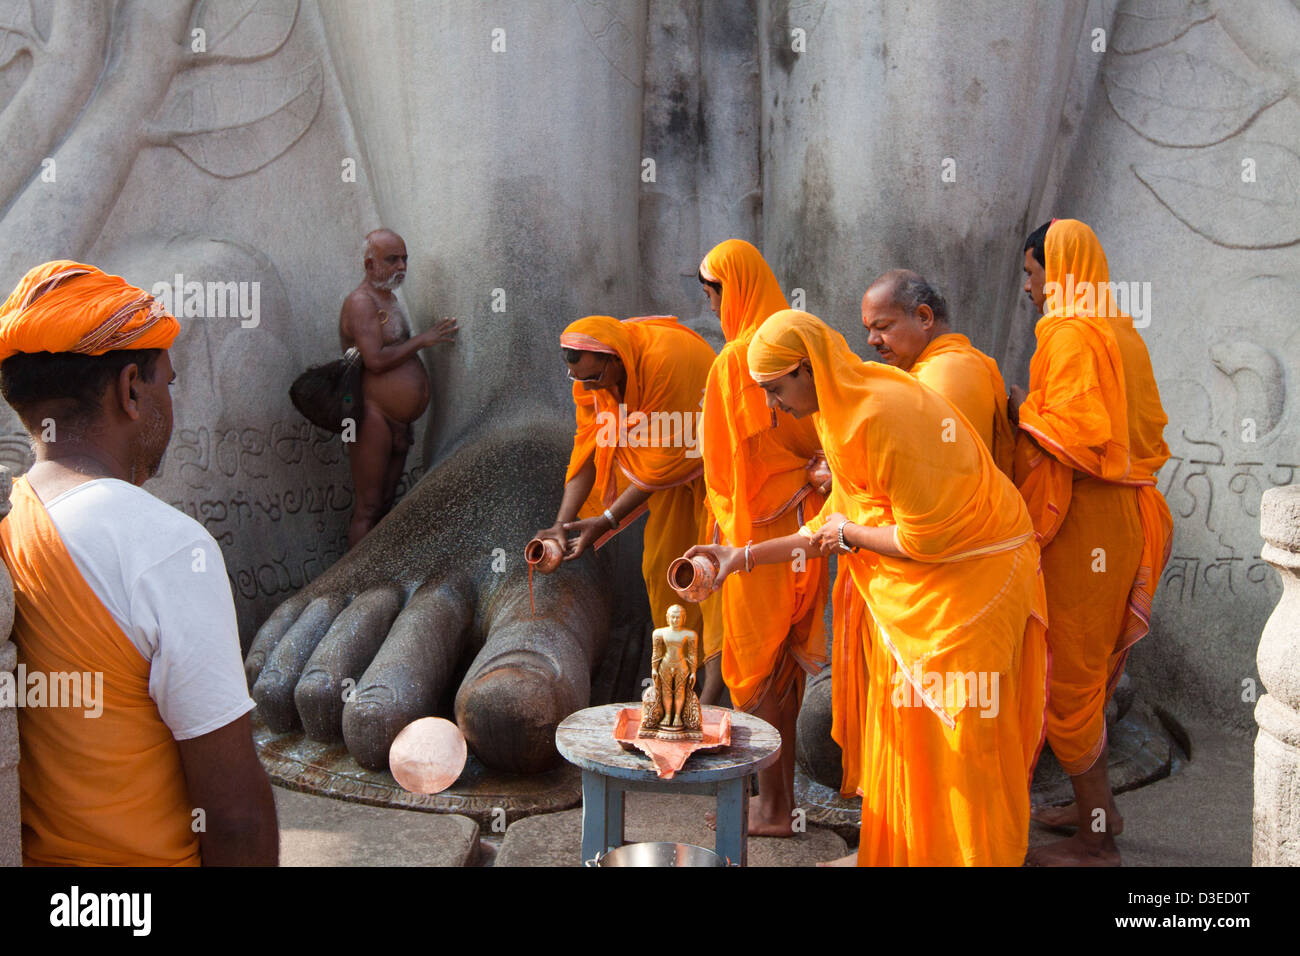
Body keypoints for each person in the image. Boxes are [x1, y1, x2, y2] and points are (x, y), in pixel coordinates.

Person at [688, 310, 1048, 866]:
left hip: (974, 584)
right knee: (905, 734)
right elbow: (833, 519)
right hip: (919, 588)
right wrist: (742, 557)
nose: (771, 406)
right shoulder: (838, 409)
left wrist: (848, 533)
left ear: (807, 369)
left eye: (775, 389)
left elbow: (923, 540)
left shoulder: (877, 412)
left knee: (962, 742)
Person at [0, 260, 278, 865]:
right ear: (130, 389)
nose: (168, 404)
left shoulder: (10, 523)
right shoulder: (166, 547)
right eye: (166, 384)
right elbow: (234, 818)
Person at [1010, 219, 1173, 866]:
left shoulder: (1072, 333)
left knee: (1068, 682)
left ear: (1061, 267)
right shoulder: (1118, 328)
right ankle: (1092, 809)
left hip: (1089, 524)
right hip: (1122, 517)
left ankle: (1097, 842)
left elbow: (1079, 439)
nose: (1027, 287)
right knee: (1085, 674)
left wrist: (1020, 409)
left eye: (1031, 272)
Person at [693, 239, 828, 835]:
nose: (714, 309)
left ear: (732, 291)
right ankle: (779, 799)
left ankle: (773, 807)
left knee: (760, 670)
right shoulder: (805, 342)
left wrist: (727, 547)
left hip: (756, 540)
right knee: (788, 671)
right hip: (815, 529)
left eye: (712, 297)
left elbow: (721, 473)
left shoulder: (735, 362)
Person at [534, 315, 722, 692]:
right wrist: (561, 523)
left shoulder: (668, 361)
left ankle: (713, 694)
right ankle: (677, 682)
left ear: (617, 360)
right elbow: (588, 448)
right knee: (664, 568)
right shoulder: (592, 380)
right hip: (670, 472)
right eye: (579, 379)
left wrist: (605, 520)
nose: (587, 388)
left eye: (593, 379)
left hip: (715, 468)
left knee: (711, 574)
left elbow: (661, 467)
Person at [340, 228, 457, 547]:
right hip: (372, 415)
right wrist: (424, 339)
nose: (401, 266)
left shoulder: (388, 299)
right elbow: (375, 360)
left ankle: (373, 577)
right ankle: (352, 582)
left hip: (397, 420)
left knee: (387, 505)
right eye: (392, 259)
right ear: (369, 265)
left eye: (405, 259)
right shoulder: (361, 302)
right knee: (368, 507)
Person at [861, 268, 1014, 475]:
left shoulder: (942, 375)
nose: (872, 340)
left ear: (924, 317)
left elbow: (922, 473)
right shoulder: (963, 362)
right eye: (869, 330)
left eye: (882, 326)